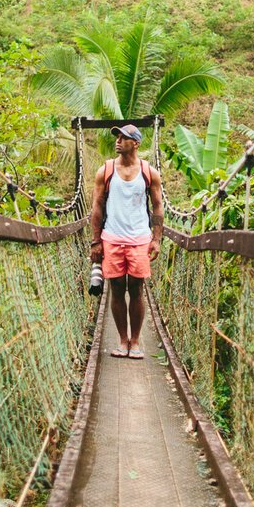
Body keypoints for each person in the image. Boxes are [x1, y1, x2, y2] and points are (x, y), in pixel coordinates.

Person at [89, 123, 163, 359]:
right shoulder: (106, 170)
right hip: (112, 238)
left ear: (136, 143)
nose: (118, 141)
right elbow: (97, 206)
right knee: (117, 289)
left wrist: (157, 239)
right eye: (117, 137)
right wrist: (95, 241)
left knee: (137, 289)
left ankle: (136, 342)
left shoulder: (149, 172)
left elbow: (158, 206)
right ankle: (123, 341)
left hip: (140, 239)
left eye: (124, 137)